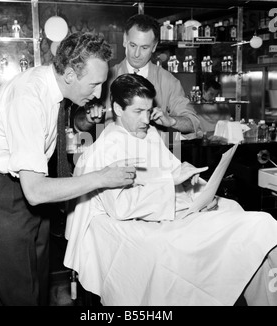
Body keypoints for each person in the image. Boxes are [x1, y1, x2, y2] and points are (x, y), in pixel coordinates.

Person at [64, 73, 277, 306]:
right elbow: (121, 206)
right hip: (141, 221)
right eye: (138, 112)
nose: (146, 119)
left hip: (169, 209)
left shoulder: (150, 135)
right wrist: (170, 183)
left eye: (148, 111)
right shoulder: (107, 148)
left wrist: (202, 194)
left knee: (236, 211)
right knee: (259, 225)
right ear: (117, 108)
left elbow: (176, 174)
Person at [0, 33, 142, 306]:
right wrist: (101, 178)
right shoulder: (29, 98)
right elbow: (36, 191)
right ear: (69, 75)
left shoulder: (53, 85)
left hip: (24, 188)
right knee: (17, 296)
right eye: (95, 84)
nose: (99, 93)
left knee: (38, 286)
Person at [102, 13, 201, 139]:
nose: (136, 54)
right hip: (114, 154)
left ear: (154, 47)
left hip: (154, 155)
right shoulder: (106, 78)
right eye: (132, 45)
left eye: (144, 47)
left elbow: (193, 123)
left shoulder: (168, 81)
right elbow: (80, 123)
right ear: (124, 40)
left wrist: (171, 120)